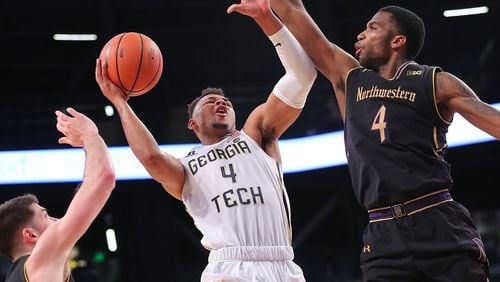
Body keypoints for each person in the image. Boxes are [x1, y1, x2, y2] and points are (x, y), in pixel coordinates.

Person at [269, 1, 500, 281]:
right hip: (381, 233)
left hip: (437, 219)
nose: (361, 35)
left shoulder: (435, 82)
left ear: (397, 40)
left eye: (372, 28)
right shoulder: (349, 79)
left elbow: (493, 121)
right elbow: (294, 10)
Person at [95, 0, 317, 281]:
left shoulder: (257, 135)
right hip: (229, 268)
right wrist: (120, 103)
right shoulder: (187, 167)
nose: (221, 103)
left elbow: (303, 76)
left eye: (225, 101)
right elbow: (151, 158)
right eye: (211, 102)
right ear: (193, 123)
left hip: (284, 265)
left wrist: (267, 19)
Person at [0, 108, 116, 282]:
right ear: (31, 235)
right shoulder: (39, 260)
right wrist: (90, 135)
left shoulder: (22, 275)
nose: (56, 220)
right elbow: (103, 178)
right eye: (46, 215)